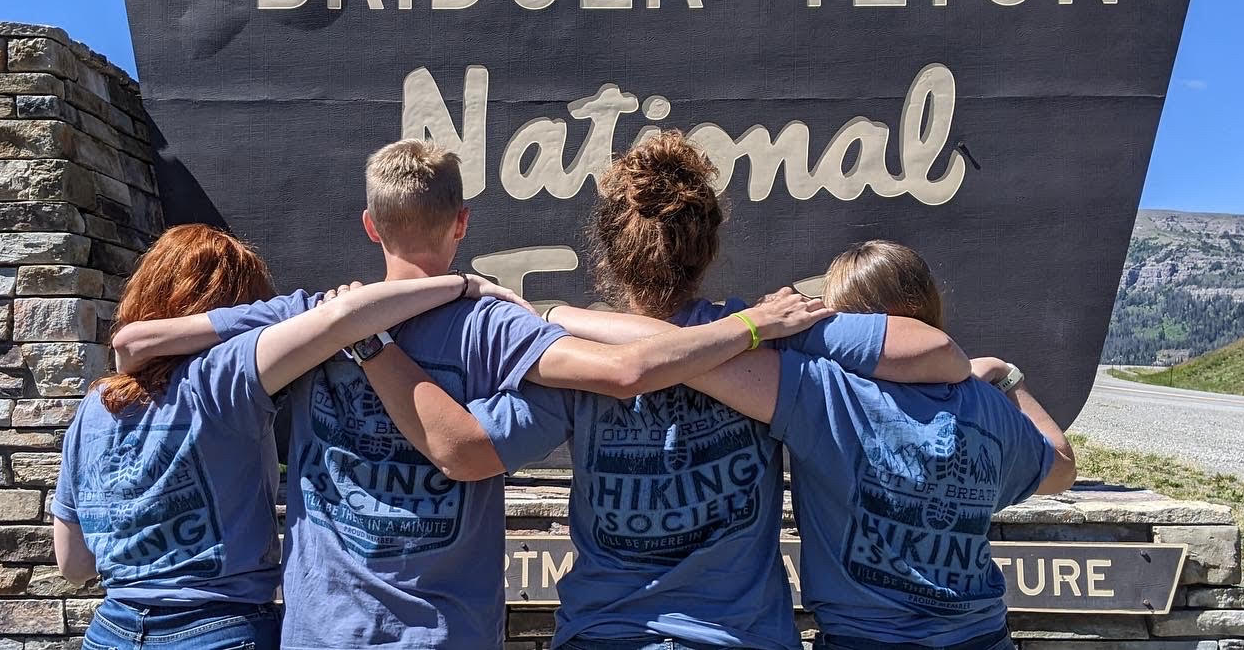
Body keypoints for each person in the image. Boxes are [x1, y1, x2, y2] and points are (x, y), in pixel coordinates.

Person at [112, 140, 830, 650]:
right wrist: (749, 326)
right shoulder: (500, 331)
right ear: (462, 222)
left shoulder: (314, 316)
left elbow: (141, 342)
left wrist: (355, 327)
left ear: (370, 224)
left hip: (325, 632)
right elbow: (623, 371)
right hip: (451, 632)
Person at [337, 132, 976, 650]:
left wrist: (557, 319)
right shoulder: (769, 332)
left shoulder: (575, 360)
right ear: (708, 246)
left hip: (607, 632)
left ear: (609, 253)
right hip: (737, 634)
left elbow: (468, 446)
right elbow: (932, 350)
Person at [552, 240, 1078, 649]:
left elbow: (667, 355)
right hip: (982, 634)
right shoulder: (988, 407)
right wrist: (1009, 379)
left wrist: (552, 317)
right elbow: (1060, 467)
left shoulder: (825, 395)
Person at [51, 224, 534, 650]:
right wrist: (465, 284)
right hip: (219, 623)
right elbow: (341, 319)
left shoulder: (92, 410)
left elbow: (73, 562)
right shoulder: (224, 375)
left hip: (111, 629)